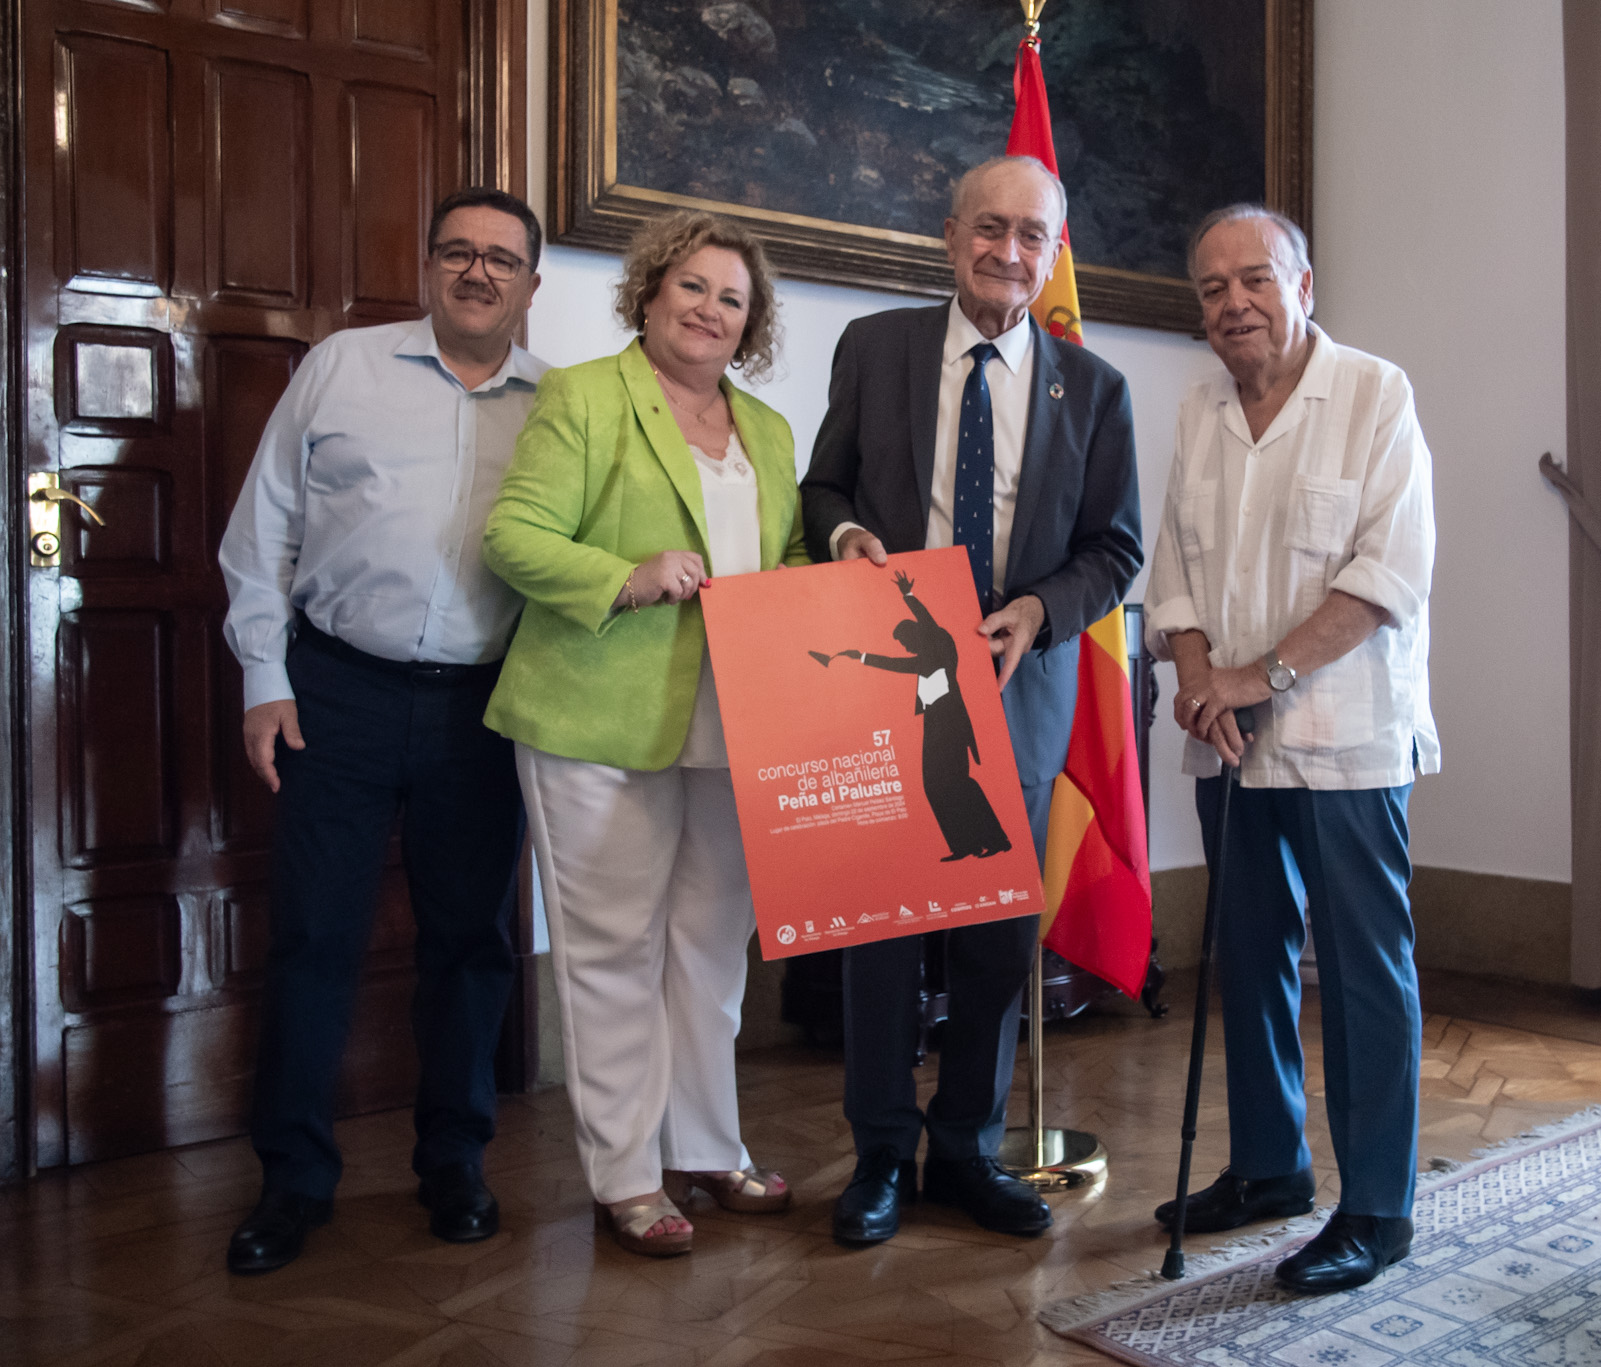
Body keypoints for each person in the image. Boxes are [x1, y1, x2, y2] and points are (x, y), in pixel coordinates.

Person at [801, 154, 1143, 1246]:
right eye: (988, 229)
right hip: (899, 673)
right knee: (881, 932)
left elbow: (1113, 546)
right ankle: (876, 1154)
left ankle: (963, 1145)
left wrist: (1039, 612)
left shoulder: (1092, 387)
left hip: (1018, 683)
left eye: (1029, 236)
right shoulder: (877, 347)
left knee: (999, 937)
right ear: (949, 236)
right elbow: (826, 485)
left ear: (1053, 252)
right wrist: (849, 537)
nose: (1007, 252)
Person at [217, 187, 548, 1274]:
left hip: (482, 706)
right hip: (337, 694)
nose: (477, 272)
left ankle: (453, 1160)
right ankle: (293, 1180)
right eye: (457, 251)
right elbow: (260, 528)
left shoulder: (564, 403)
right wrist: (266, 676)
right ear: (428, 268)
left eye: (501, 259)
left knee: (470, 942)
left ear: (531, 286)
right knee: (315, 936)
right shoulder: (341, 366)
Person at [481, 210, 806, 1257]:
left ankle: (708, 1147)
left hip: (742, 718)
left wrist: (818, 585)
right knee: (612, 949)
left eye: (731, 298)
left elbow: (789, 555)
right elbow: (512, 535)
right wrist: (625, 577)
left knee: (711, 948)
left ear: (748, 324)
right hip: (596, 716)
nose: (710, 310)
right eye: (692, 288)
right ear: (650, 293)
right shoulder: (583, 395)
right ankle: (625, 1173)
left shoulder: (766, 429)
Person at [1143, 205, 1439, 1294]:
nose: (1233, 304)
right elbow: (1173, 567)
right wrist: (1192, 677)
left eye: (1254, 279)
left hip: (1343, 740)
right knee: (1248, 955)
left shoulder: (1373, 394)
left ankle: (1375, 1207)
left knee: (1362, 971)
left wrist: (1251, 675)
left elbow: (1385, 575)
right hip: (1228, 743)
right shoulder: (1198, 410)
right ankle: (1269, 1167)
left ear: (1303, 283)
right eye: (1212, 288)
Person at [824, 570, 1012, 861]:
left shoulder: (939, 643)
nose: (906, 648)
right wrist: (859, 655)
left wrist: (907, 596)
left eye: (906, 641)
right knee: (936, 786)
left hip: (950, 721)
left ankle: (995, 839)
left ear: (916, 634)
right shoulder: (922, 659)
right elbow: (894, 663)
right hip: (934, 723)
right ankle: (965, 845)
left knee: (958, 784)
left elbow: (927, 622)